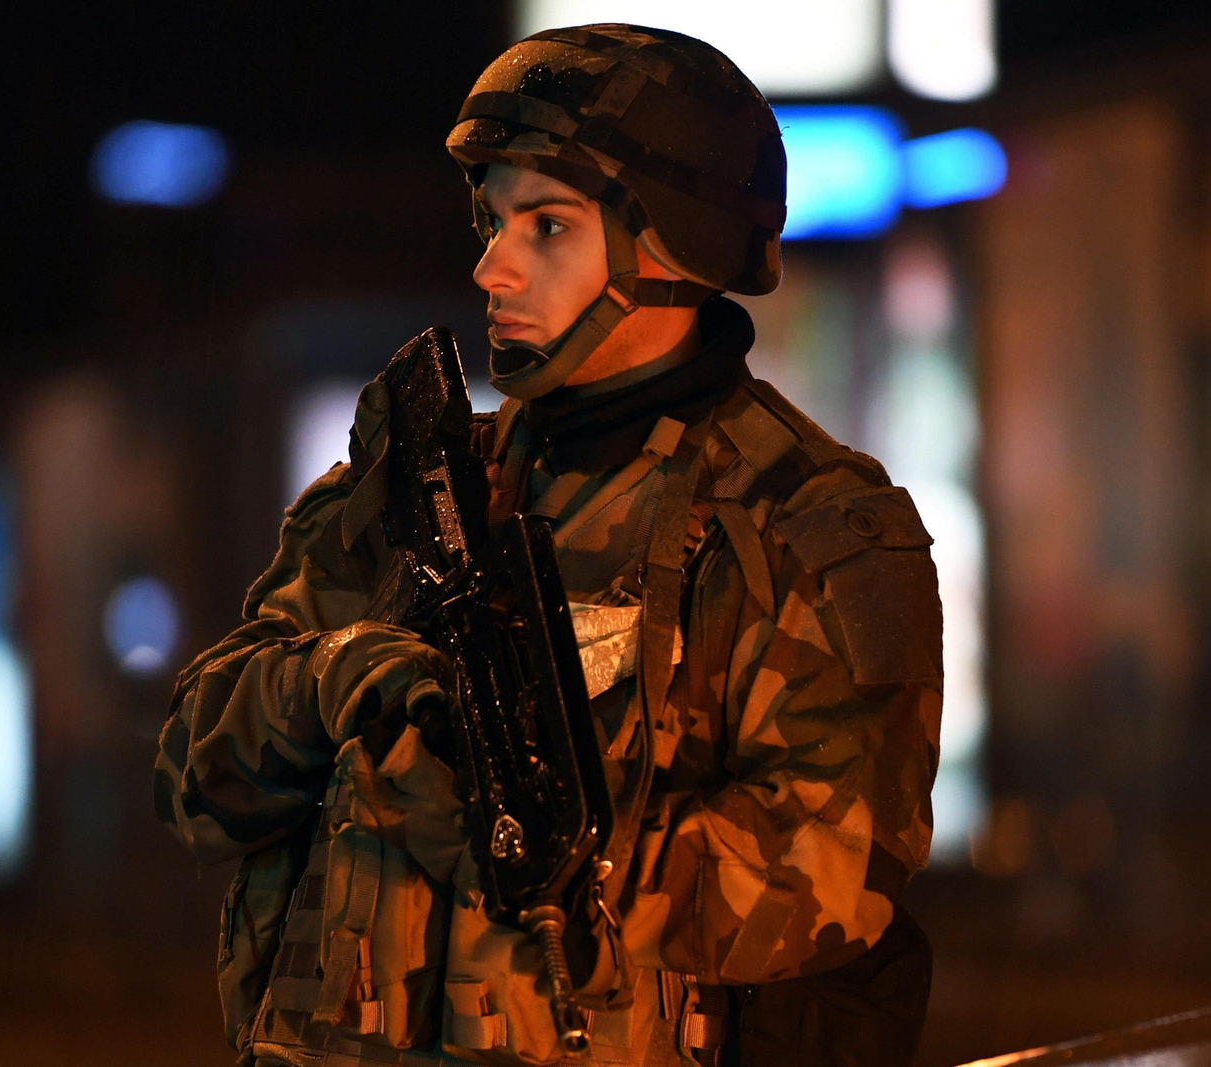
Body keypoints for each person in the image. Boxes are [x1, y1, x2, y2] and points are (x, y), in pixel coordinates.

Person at [156, 23, 942, 1067]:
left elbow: (830, 882)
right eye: (492, 220)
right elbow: (194, 781)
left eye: (547, 226)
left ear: (671, 244)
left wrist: (544, 840)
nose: (491, 265)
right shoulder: (412, 489)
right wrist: (328, 680)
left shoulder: (810, 530)